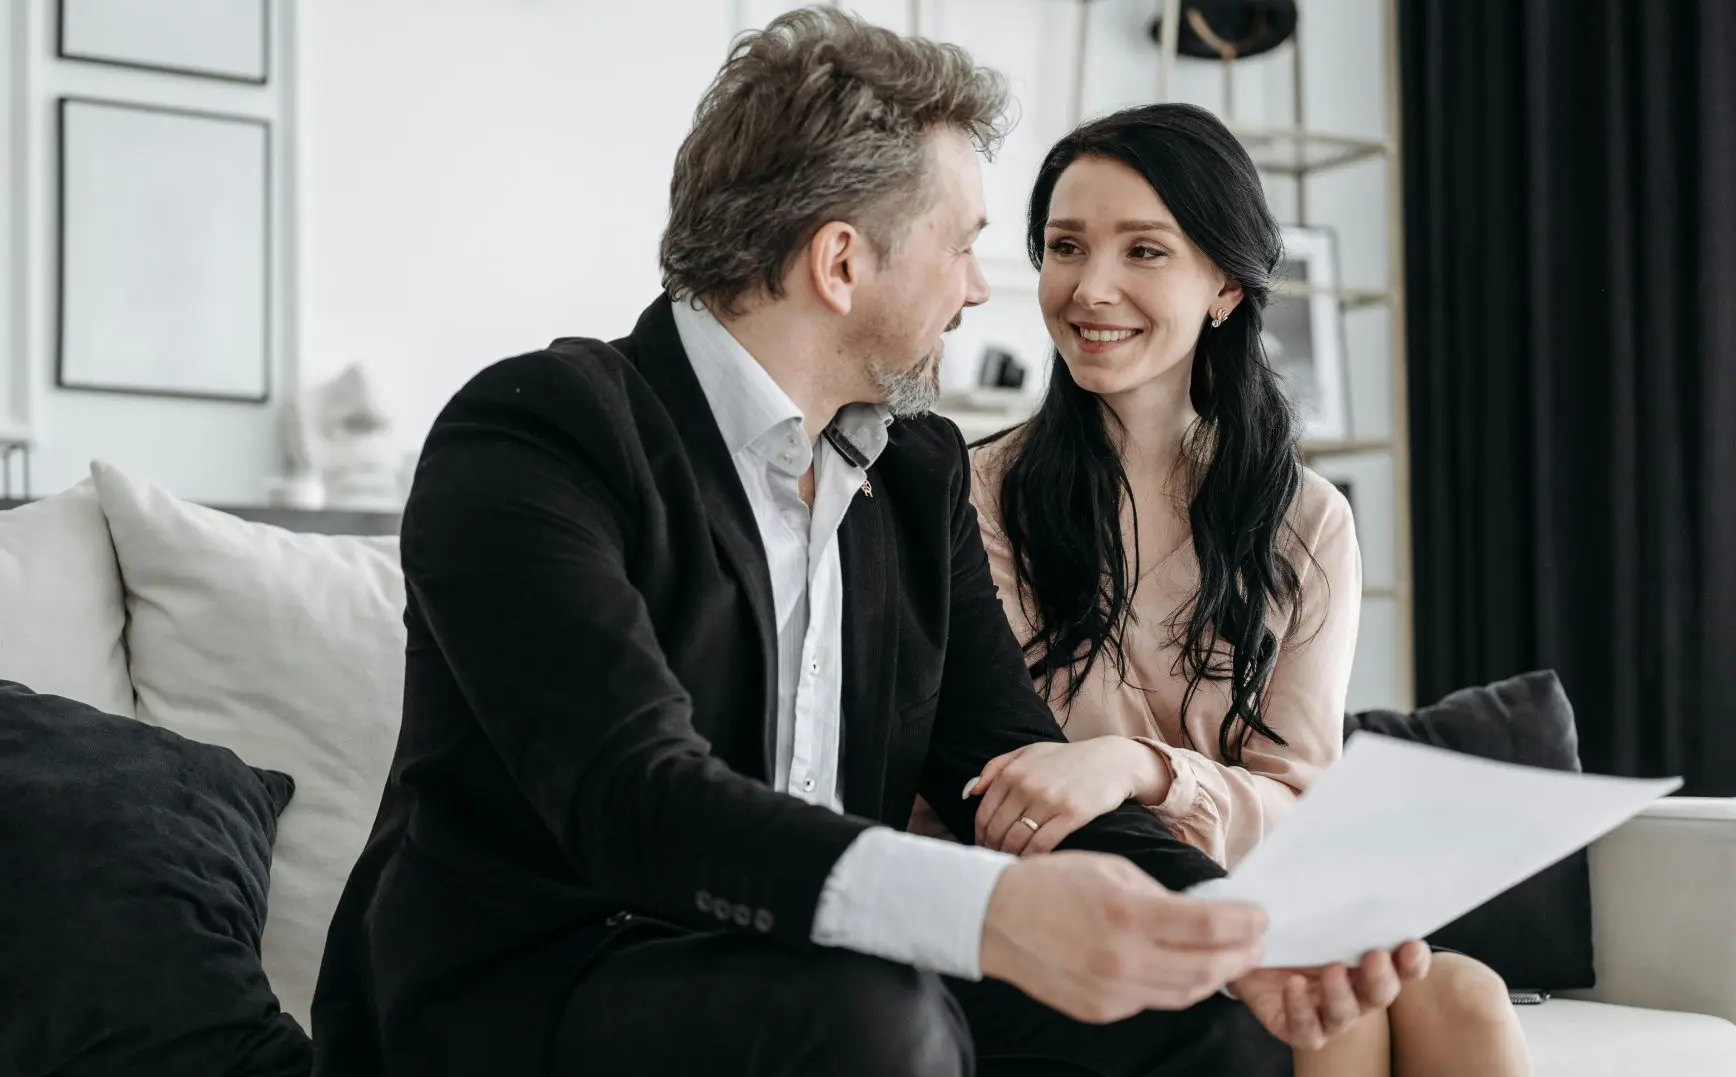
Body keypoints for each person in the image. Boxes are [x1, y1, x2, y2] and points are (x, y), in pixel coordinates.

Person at [310, 11, 1430, 1076]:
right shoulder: (539, 432)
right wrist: (987, 913)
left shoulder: (914, 474)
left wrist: (1236, 934)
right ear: (842, 263)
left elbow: (1008, 770)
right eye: (964, 246)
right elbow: (633, 797)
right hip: (532, 990)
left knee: (1197, 1026)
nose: (983, 290)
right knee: (866, 1016)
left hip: (812, 980)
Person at [953, 103, 1535, 1076]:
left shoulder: (1306, 520)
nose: (1091, 288)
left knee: (1464, 998)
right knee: (1330, 1006)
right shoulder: (977, 495)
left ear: (1225, 284)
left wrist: (1143, 765)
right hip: (1078, 910)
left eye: (1144, 251)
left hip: (1263, 900)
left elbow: (1300, 797)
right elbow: (1012, 772)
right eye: (1065, 247)